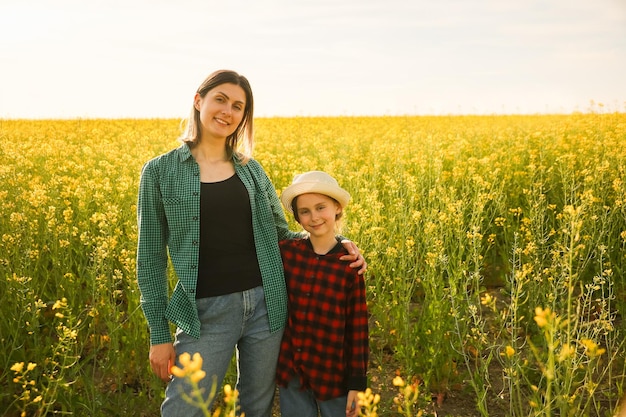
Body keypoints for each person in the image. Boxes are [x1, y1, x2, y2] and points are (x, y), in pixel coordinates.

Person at [136, 70, 366, 417]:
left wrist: (340, 243)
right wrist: (158, 334)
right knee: (183, 410)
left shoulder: (251, 169)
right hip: (205, 313)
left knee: (255, 408)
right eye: (220, 100)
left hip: (266, 305)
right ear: (199, 101)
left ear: (244, 116)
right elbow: (150, 257)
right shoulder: (160, 172)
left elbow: (283, 235)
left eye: (238, 106)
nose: (227, 111)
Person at [276, 171, 369, 417]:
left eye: (321, 207)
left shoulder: (349, 264)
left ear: (337, 208)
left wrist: (357, 384)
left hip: (333, 375)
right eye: (305, 211)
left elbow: (357, 329)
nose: (314, 217)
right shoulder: (287, 252)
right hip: (292, 371)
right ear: (297, 218)